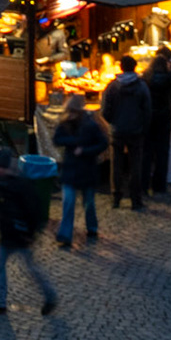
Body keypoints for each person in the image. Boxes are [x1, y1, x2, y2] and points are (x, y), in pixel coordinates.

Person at [0, 148, 59, 317]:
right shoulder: (6, 181)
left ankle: (50, 296)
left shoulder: (19, 184)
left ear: (4, 167)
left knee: (31, 269)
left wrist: (29, 233)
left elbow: (33, 211)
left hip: (20, 235)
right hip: (10, 234)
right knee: (1, 265)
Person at [100, 55, 151, 211]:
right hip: (136, 130)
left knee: (116, 164)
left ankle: (116, 197)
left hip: (117, 131)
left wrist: (113, 122)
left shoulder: (112, 87)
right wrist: (143, 127)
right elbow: (147, 110)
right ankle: (136, 199)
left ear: (121, 68)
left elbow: (105, 110)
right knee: (136, 165)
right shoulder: (141, 86)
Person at [52, 102, 108, 240]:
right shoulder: (66, 124)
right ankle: (66, 233)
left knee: (88, 203)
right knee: (69, 202)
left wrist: (84, 151)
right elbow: (57, 139)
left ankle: (91, 228)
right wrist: (75, 142)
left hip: (84, 170)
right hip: (74, 170)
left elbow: (103, 143)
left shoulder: (90, 126)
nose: (70, 115)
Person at [141, 54, 171, 198]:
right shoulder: (169, 79)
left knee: (146, 152)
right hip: (164, 117)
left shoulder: (146, 79)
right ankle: (159, 185)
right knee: (162, 152)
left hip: (149, 117)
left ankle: (143, 184)